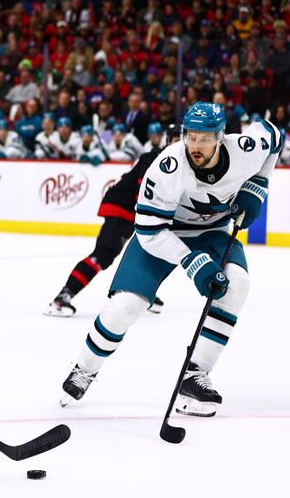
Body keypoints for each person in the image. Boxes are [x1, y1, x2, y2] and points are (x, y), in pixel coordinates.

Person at [59, 103, 282, 418]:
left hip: (212, 232)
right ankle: (85, 368)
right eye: (191, 136)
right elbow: (149, 231)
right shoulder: (167, 167)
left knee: (237, 285)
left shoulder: (245, 149)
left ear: (221, 137)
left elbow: (273, 135)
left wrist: (257, 186)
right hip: (163, 233)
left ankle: (195, 375)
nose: (195, 145)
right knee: (126, 306)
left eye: (205, 138)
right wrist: (192, 261)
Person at [46, 124, 181, 317]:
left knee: (150, 252)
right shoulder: (155, 158)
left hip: (132, 211)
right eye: (177, 140)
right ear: (168, 142)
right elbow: (142, 193)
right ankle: (62, 299)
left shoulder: (173, 163)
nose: (181, 145)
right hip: (121, 208)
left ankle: (141, 291)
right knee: (104, 254)